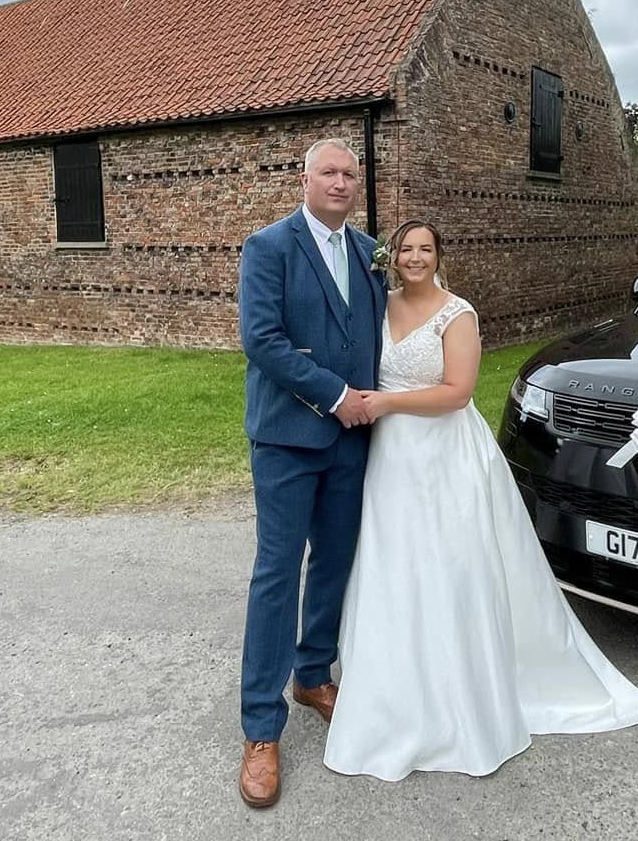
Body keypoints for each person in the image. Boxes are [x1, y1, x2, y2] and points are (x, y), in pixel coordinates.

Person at [323, 219, 638, 781]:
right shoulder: (377, 305)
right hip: (390, 460)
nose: (414, 258)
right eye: (405, 249)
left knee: (451, 566)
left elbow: (458, 393)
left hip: (441, 453)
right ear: (392, 257)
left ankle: (462, 696)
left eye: (424, 249)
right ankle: (392, 691)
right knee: (394, 565)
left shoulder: (457, 313)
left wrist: (385, 403)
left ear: (439, 256)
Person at [235, 138, 386, 808]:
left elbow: (385, 335)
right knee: (276, 572)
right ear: (304, 179)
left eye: (350, 173)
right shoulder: (268, 247)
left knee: (333, 563)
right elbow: (262, 341)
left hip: (354, 439)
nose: (341, 182)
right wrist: (335, 395)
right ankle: (261, 731)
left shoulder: (370, 251)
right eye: (329, 171)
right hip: (289, 438)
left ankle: (313, 676)